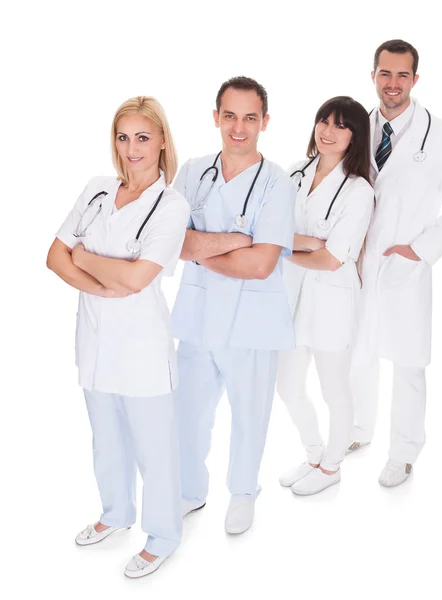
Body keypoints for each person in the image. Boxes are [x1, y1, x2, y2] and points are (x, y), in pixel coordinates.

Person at [46, 96, 190, 578]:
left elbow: (135, 280)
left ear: (162, 141)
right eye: (123, 137)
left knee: (155, 449)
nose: (131, 148)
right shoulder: (96, 189)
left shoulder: (172, 206)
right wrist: (103, 281)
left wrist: (84, 257)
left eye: (143, 137)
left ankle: (164, 534)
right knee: (106, 440)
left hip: (143, 350)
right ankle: (116, 514)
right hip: (93, 341)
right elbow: (53, 256)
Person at [348, 40, 442, 486]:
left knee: (407, 361)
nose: (393, 83)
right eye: (385, 73)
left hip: (405, 267)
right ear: (373, 76)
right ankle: (357, 430)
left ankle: (403, 451)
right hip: (358, 262)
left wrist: (418, 250)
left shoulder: (441, 136)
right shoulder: (354, 128)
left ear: (415, 80)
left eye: (403, 75)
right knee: (356, 349)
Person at [172, 76, 296, 534]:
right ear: (215, 118)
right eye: (230, 116)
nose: (238, 128)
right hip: (199, 315)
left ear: (265, 122)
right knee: (189, 413)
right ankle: (189, 491)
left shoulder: (278, 183)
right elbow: (173, 243)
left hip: (253, 321)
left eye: (249, 117)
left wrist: (202, 247)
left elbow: (262, 264)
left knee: (250, 414)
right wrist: (233, 242)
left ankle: (243, 494)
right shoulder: (193, 171)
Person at [276, 96, 374, 495]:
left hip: (332, 301)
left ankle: (332, 467)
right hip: (292, 296)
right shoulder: (294, 172)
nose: (328, 132)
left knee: (335, 390)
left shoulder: (359, 191)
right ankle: (314, 454)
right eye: (323, 121)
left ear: (354, 137)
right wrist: (306, 244)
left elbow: (333, 259)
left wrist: (286, 248)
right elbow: (269, 234)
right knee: (287, 386)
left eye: (340, 125)